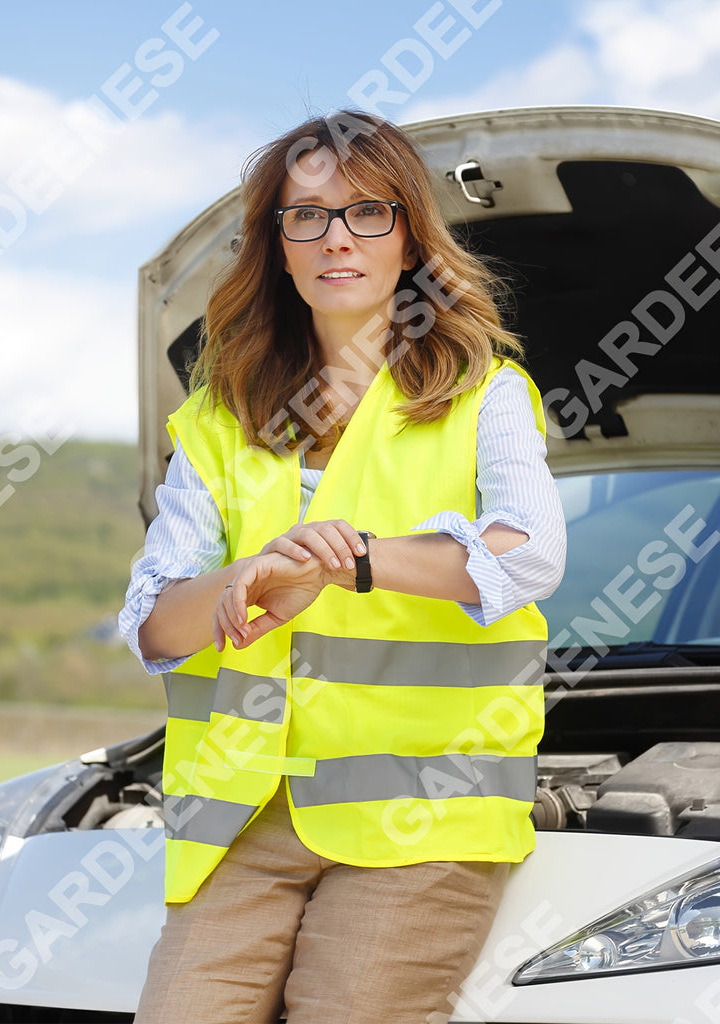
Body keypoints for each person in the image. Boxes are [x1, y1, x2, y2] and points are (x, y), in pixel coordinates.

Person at [119, 109, 566, 1024]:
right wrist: (250, 576)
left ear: (409, 237)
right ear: (276, 247)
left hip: (424, 816)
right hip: (242, 817)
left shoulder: (485, 393)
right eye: (306, 216)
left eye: (368, 213)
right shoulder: (216, 418)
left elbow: (530, 557)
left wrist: (356, 562)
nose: (337, 238)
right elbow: (154, 623)